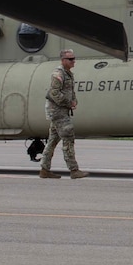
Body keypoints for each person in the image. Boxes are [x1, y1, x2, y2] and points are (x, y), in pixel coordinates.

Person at [39, 49, 88, 179]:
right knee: (68, 136)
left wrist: (74, 101)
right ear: (63, 60)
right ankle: (74, 170)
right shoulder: (58, 74)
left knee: (53, 140)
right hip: (57, 111)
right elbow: (54, 93)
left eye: (74, 58)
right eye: (70, 59)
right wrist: (68, 103)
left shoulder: (68, 74)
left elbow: (70, 91)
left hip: (61, 110)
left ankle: (44, 169)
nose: (73, 61)